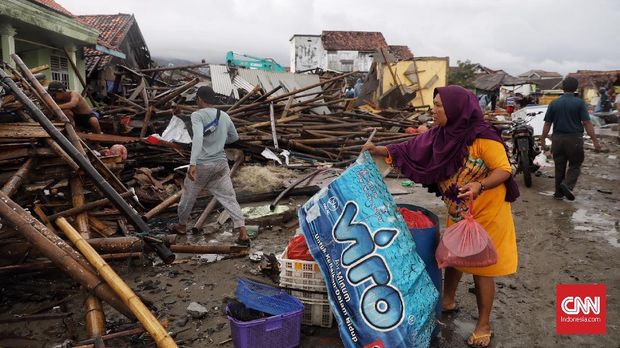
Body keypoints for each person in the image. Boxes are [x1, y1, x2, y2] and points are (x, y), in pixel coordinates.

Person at [363, 85, 519, 348]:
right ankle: (447, 300)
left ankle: (484, 324)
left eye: (438, 105)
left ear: (456, 108)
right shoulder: (439, 136)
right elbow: (411, 148)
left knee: (482, 267)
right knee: (454, 256)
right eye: (434, 104)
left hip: (487, 211)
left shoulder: (483, 138)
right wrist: (380, 150)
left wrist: (479, 186)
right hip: (458, 209)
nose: (433, 110)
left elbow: (503, 170)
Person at [172, 86, 250, 246]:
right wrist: (219, 140)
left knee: (188, 196)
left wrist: (192, 163)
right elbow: (234, 137)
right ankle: (243, 232)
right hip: (221, 165)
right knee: (229, 198)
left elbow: (198, 138)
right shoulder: (224, 115)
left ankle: (181, 225)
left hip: (202, 165)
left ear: (200, 99)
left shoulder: (197, 115)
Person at [540, 77, 602, 201]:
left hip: (557, 139)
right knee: (575, 165)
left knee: (559, 167)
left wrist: (542, 140)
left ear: (563, 88)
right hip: (574, 139)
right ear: (575, 89)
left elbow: (547, 124)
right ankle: (567, 185)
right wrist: (595, 141)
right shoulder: (579, 103)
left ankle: (558, 194)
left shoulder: (554, 103)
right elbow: (587, 123)